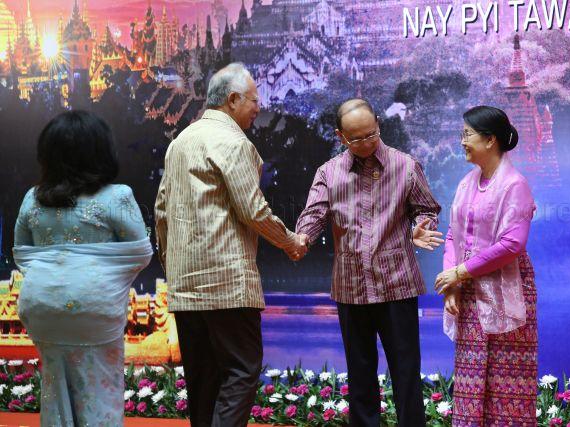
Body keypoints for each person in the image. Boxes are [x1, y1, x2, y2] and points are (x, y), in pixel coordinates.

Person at [154, 62, 308, 427]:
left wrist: (172, 267)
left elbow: (161, 212)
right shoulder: (235, 143)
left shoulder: (179, 142)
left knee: (203, 381)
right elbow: (253, 210)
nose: (258, 108)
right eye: (254, 100)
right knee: (242, 370)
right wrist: (290, 242)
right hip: (227, 285)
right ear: (233, 99)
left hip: (187, 287)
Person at [296, 98, 442, 426]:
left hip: (397, 284)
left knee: (406, 370)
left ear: (378, 123)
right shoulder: (329, 173)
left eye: (371, 134)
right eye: (357, 139)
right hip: (351, 285)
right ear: (341, 137)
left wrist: (423, 227)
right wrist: (303, 237)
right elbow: (314, 213)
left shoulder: (405, 165)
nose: (366, 143)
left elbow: (427, 208)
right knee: (360, 373)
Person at [13, 110, 152, 426]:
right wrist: (91, 271)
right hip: (95, 311)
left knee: (54, 391)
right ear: (101, 151)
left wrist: (59, 268)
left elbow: (23, 254)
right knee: (99, 394)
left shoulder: (31, 199)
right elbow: (141, 252)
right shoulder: (117, 196)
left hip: (41, 310)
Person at [435, 105, 538, 426]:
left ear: (490, 140)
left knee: (507, 384)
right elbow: (452, 234)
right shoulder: (468, 182)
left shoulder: (514, 184)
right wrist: (452, 283)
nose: (462, 141)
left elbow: (512, 244)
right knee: (469, 379)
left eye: (467, 135)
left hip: (508, 291)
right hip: (469, 291)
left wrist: (460, 273)